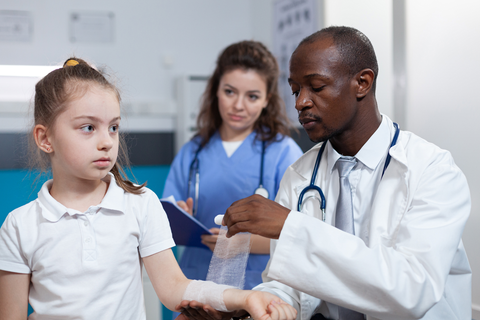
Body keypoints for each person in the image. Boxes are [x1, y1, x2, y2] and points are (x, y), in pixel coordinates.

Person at [179, 26, 472, 320]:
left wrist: (290, 225)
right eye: (295, 90)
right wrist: (244, 308)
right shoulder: (300, 176)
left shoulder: (431, 170)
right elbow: (287, 287)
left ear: (362, 82)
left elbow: (413, 291)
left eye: (316, 87)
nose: (300, 102)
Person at [0, 58, 298, 320]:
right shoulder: (20, 226)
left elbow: (174, 288)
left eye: (113, 127)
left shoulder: (140, 204)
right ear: (45, 138)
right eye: (88, 127)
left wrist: (246, 297)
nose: (106, 141)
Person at [163, 41, 303, 290]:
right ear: (216, 90)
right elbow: (163, 222)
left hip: (258, 287)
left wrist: (245, 243)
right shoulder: (193, 152)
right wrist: (179, 216)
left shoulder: (284, 153)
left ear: (266, 100)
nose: (239, 105)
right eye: (230, 92)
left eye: (252, 96)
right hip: (196, 283)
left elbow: (300, 234)